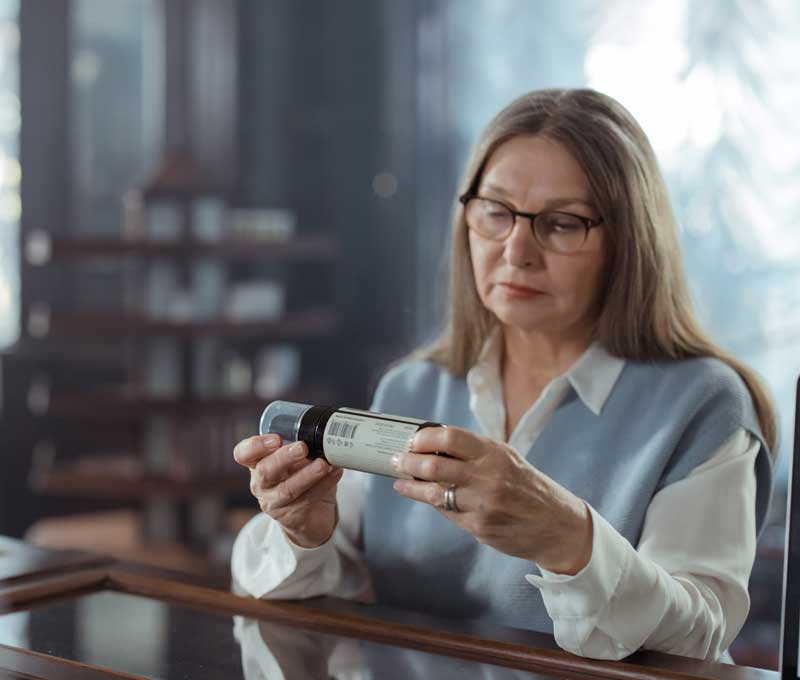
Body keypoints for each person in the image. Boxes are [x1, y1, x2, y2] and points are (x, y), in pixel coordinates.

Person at [231, 88, 776, 661]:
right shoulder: (413, 387)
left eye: (562, 224)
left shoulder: (703, 403)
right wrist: (303, 531)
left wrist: (567, 538)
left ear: (628, 243)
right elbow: (286, 584)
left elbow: (700, 636)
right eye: (495, 212)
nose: (517, 251)